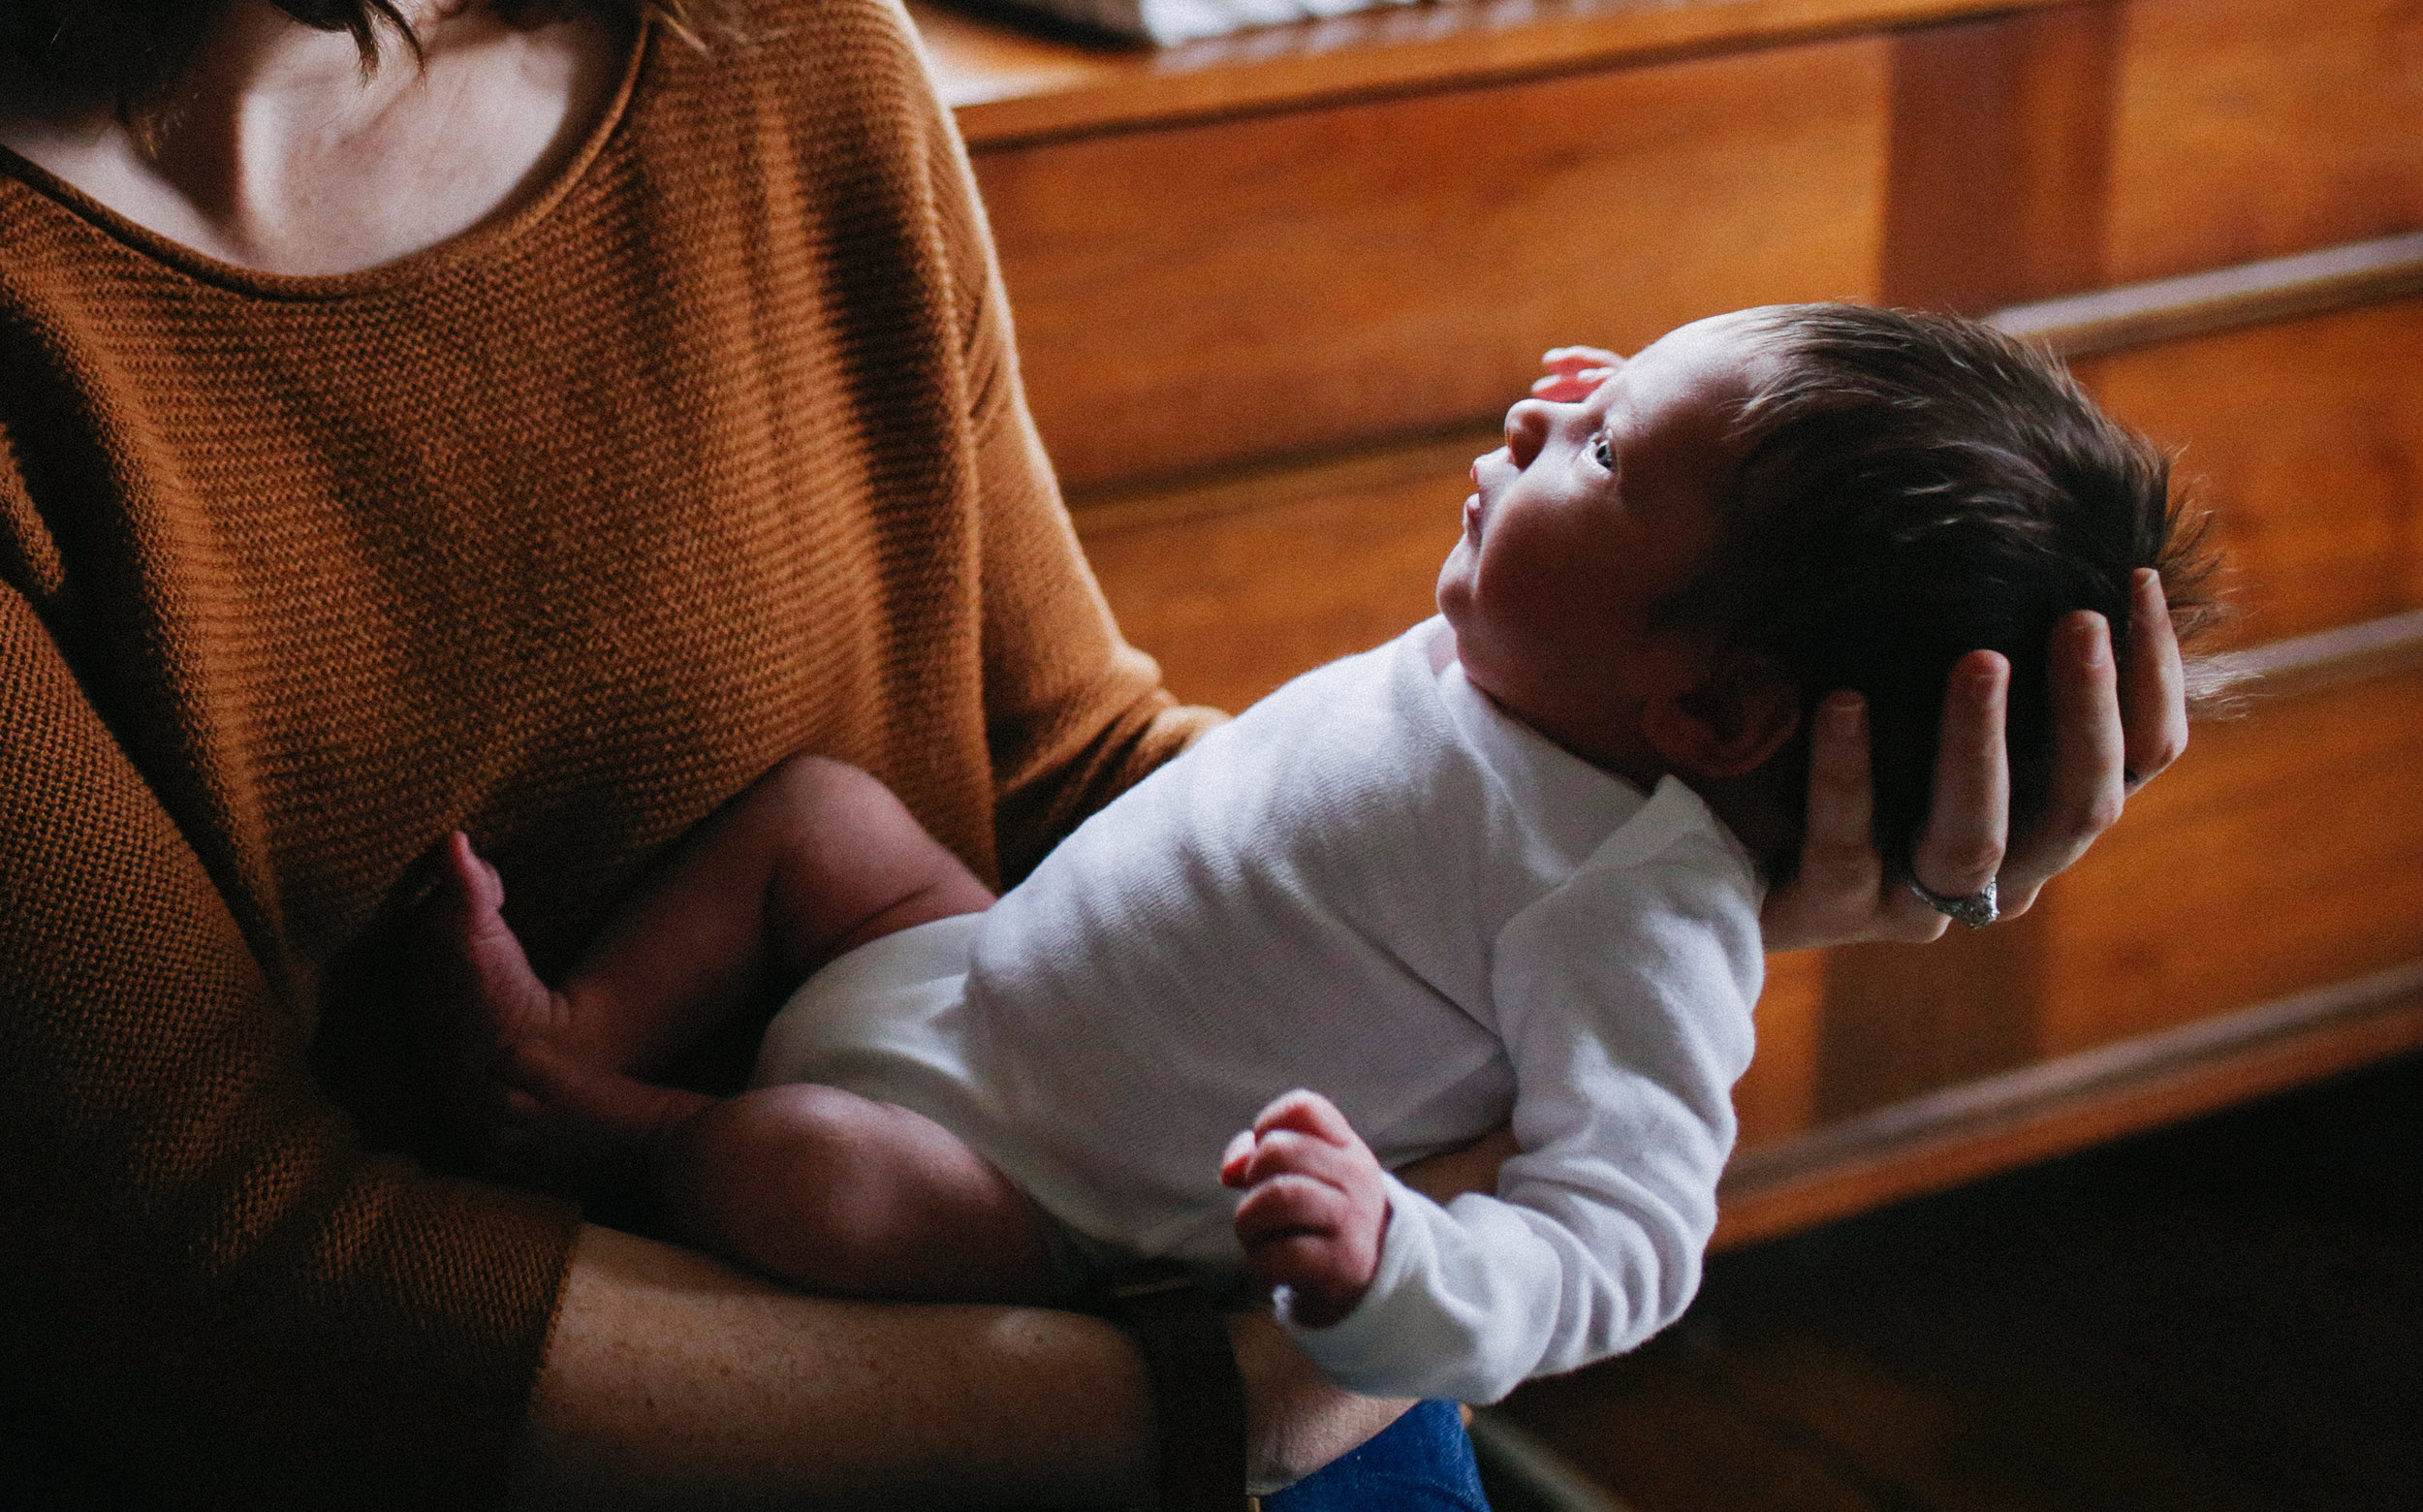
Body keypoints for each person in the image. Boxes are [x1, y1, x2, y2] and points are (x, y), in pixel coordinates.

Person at [0, 0, 2192, 1506]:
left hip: (1111, 1246)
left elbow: (1084, 781)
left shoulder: (784, 47)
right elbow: (227, 1297)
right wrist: (1209, 1399)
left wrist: (1704, 900)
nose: (1556, 410)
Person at [415, 302, 2218, 1407]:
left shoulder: (1638, 913)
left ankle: (590, 1122)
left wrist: (1391, 1270)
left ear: (1720, 712)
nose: (1539, 408)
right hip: (968, 970)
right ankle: (585, 1019)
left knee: (805, 1175)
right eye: (1602, 373)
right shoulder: (1534, 667)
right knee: (823, 818)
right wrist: (1631, 444)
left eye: (1599, 443)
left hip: (1023, 1194)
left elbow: (1630, 1241)